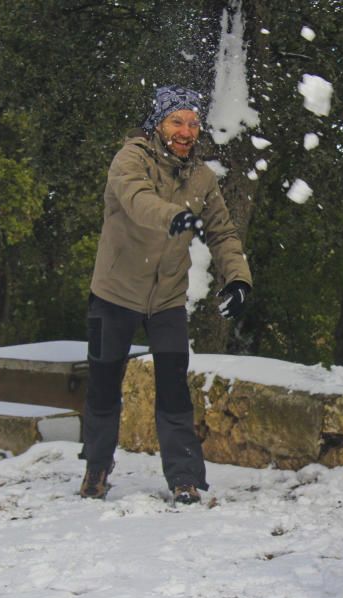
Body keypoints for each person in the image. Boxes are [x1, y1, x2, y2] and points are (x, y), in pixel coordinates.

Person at [79, 85, 253, 505]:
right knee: (103, 383)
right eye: (177, 121)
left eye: (193, 123)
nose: (186, 130)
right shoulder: (131, 158)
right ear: (158, 123)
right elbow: (138, 201)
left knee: (174, 387)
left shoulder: (202, 178)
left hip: (168, 298)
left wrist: (238, 280)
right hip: (113, 294)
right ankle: (96, 469)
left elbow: (222, 232)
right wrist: (173, 215)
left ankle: (184, 479)